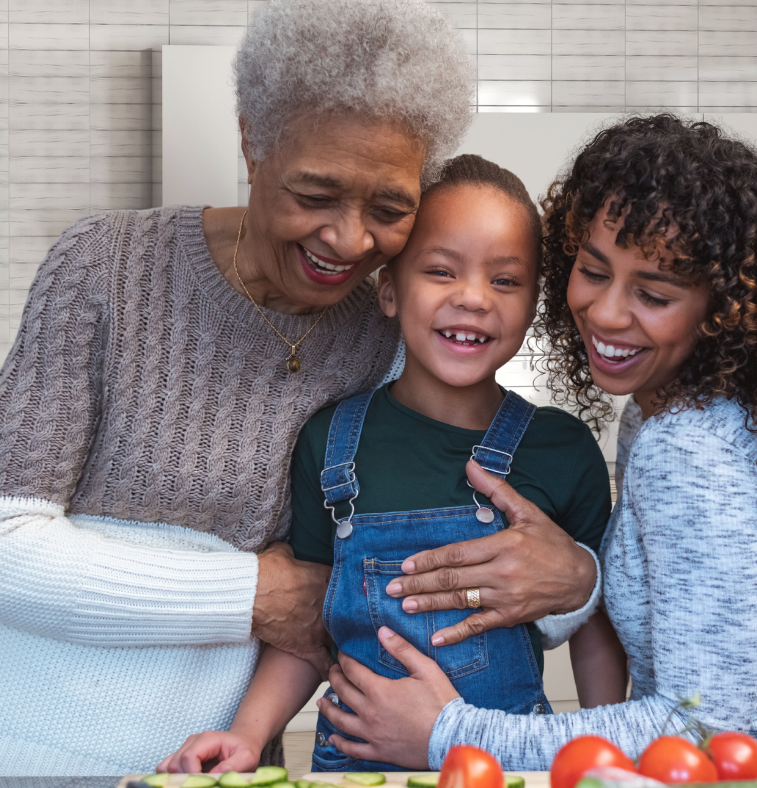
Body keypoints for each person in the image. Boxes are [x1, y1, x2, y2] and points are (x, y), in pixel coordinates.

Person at [314, 115, 757, 776]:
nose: (607, 313)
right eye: (592, 271)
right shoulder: (680, 412)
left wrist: (450, 733)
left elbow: (700, 725)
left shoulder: (688, 447)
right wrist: (581, 577)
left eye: (653, 294)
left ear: (723, 307)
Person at [0, 0, 483, 775]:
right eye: (315, 195)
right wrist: (253, 593)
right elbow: (7, 545)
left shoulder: (388, 337)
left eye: (390, 208)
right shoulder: (104, 267)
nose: (349, 239)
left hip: (226, 767)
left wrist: (571, 577)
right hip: (28, 755)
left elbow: (387, 569)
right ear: (253, 142)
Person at [157, 155, 612, 776]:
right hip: (357, 768)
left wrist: (605, 762)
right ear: (389, 291)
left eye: (506, 280)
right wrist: (246, 735)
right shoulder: (329, 442)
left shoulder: (563, 449)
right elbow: (308, 629)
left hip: (507, 766)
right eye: (441, 271)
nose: (473, 298)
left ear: (534, 303)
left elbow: (594, 624)